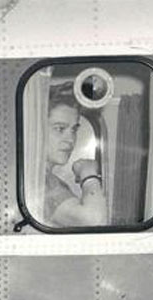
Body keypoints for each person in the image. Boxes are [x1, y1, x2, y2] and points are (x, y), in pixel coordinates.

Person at [44, 82, 108, 227]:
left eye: (73, 130)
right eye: (60, 128)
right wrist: (89, 174)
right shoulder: (40, 182)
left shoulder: (48, 180)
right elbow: (94, 221)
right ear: (36, 130)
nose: (70, 139)